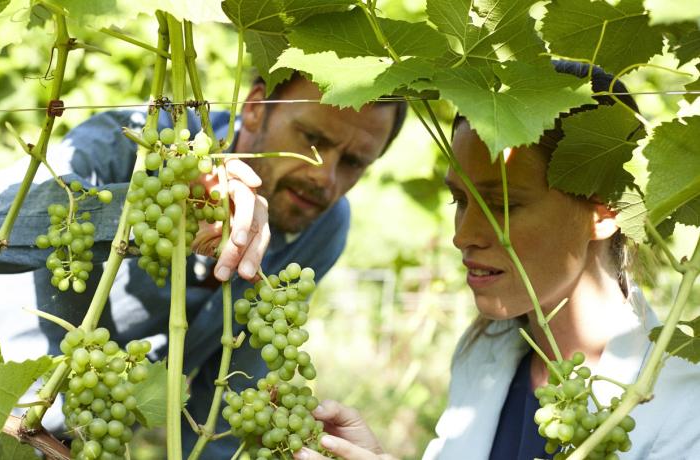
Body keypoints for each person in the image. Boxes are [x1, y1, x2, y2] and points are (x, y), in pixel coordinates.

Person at [0, 72, 407, 458]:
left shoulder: (323, 223)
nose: (326, 178)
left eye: (356, 161)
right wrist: (136, 211)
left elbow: (230, 401)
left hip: (59, 438)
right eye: (313, 141)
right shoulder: (134, 144)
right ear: (255, 108)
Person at [293, 63, 700, 460]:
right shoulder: (482, 354)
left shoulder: (685, 401)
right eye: (460, 200)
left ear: (606, 211)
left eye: (502, 204)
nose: (463, 235)